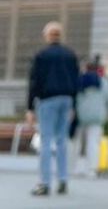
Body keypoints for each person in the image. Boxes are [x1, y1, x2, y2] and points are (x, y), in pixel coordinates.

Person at [26, 21, 79, 196]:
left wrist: (30, 108)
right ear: (60, 35)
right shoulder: (70, 55)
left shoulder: (41, 55)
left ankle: (45, 183)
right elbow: (76, 81)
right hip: (66, 100)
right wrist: (74, 105)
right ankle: (63, 180)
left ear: (47, 36)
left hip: (47, 100)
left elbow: (34, 82)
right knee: (62, 141)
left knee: (46, 141)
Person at [74, 60, 108, 176]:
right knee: (93, 144)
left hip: (81, 116)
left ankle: (75, 167)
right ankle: (91, 169)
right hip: (97, 117)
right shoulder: (103, 82)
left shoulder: (79, 81)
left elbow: (74, 97)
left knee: (77, 143)